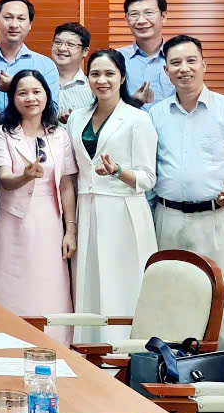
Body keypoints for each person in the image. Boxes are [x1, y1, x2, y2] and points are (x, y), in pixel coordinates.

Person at [150, 35, 224, 350]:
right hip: (168, 217)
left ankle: (221, 369)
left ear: (204, 64)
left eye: (191, 61)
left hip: (216, 218)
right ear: (166, 71)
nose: (184, 68)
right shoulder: (155, 115)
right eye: (175, 63)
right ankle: (172, 369)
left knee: (221, 301)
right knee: (169, 296)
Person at [0, 0, 60, 287]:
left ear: (30, 25)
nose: (14, 24)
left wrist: (13, 88)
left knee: (34, 247)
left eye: (21, 18)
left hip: (33, 166)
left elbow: (51, 110)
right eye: (7, 17)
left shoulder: (44, 64)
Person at [66, 49, 158, 344]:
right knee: (88, 285)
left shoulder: (137, 119)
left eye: (109, 74)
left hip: (123, 212)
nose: (102, 80)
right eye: (95, 74)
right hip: (87, 209)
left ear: (122, 77)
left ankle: (124, 352)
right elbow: (72, 171)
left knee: (121, 286)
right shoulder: (77, 118)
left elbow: (147, 178)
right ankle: (89, 350)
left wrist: (118, 171)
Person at [0, 69, 76, 344]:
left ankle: (54, 343)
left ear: (47, 95)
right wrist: (25, 176)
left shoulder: (59, 134)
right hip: (13, 221)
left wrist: (70, 230)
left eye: (36, 91)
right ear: (13, 98)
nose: (30, 98)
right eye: (22, 93)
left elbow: (67, 184)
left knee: (49, 286)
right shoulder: (2, 132)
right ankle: (4, 342)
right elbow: (4, 179)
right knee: (10, 286)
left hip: (50, 220)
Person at [119, 0, 175, 109]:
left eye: (148, 13)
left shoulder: (178, 58)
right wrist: (134, 103)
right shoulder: (116, 58)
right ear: (127, 19)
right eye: (134, 14)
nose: (141, 20)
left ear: (163, 16)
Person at [52, 22, 94, 121]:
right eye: (58, 42)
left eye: (70, 44)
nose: (62, 48)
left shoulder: (92, 87)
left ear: (85, 51)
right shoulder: (39, 82)